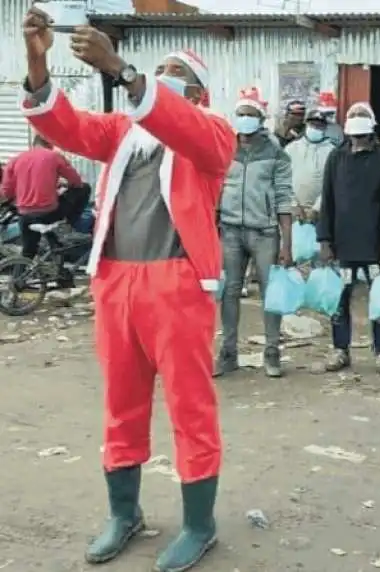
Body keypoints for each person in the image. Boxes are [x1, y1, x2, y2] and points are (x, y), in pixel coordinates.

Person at [20, 9, 236, 570]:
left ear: (195, 93)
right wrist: (38, 60)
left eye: (171, 72)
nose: (156, 77)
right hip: (116, 281)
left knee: (190, 406)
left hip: (178, 286)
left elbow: (180, 123)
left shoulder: (211, 134)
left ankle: (199, 523)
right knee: (121, 403)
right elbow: (65, 126)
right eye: (155, 69)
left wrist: (122, 68)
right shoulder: (122, 136)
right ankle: (124, 514)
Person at [215, 87, 294, 379]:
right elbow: (215, 189)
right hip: (231, 230)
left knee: (269, 294)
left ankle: (272, 352)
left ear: (261, 119)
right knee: (230, 292)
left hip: (265, 233)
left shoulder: (276, 153)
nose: (245, 119)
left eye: (250, 114)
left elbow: (284, 197)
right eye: (241, 114)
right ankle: (228, 353)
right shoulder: (224, 148)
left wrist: (287, 243)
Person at [316, 101, 380, 374]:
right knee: (340, 297)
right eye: (354, 137)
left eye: (362, 137)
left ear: (371, 132)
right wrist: (324, 240)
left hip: (375, 243)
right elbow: (327, 200)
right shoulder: (336, 158)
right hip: (343, 242)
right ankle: (340, 349)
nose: (358, 142)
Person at [0, 134, 83, 261]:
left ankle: (19, 279)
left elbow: (6, 192)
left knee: (28, 253)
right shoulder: (54, 156)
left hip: (24, 215)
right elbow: (77, 182)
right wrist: (64, 184)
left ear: (33, 144)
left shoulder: (15, 160)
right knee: (84, 188)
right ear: (50, 144)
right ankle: (70, 223)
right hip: (49, 213)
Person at [285, 107, 336, 222]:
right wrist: (293, 205)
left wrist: (317, 209)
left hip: (321, 213)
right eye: (313, 125)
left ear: (325, 128)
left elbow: (333, 183)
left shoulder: (332, 152)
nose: (316, 128)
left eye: (319, 126)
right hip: (293, 212)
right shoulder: (291, 148)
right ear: (306, 124)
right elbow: (282, 179)